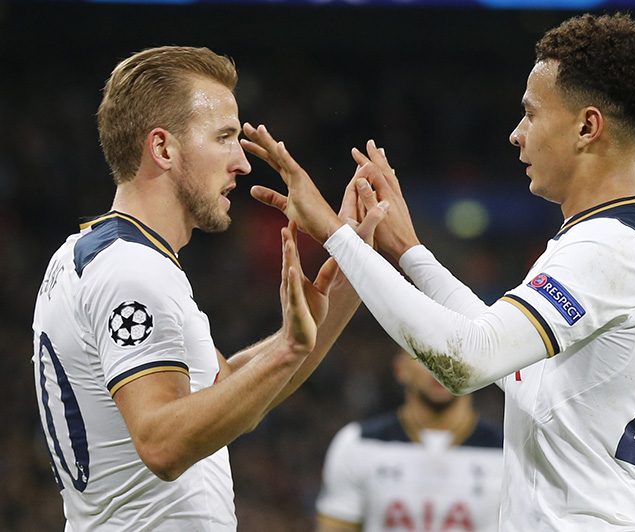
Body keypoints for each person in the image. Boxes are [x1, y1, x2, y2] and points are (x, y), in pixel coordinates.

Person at [241, 12, 635, 531]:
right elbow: (517, 369)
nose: (517, 135)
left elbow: (469, 361)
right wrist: (410, 253)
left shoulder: (606, 247)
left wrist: (333, 233)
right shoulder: (634, 237)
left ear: (588, 126)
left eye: (531, 114)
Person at [31, 46, 385, 531]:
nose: (242, 162)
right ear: (163, 149)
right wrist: (286, 348)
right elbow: (162, 444)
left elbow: (232, 397)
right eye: (224, 138)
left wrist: (353, 273)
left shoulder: (99, 256)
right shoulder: (131, 272)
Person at [316, 349, 503, 532]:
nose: (442, 367)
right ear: (400, 369)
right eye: (425, 353)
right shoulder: (358, 443)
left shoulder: (508, 454)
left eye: (455, 355)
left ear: (478, 370)